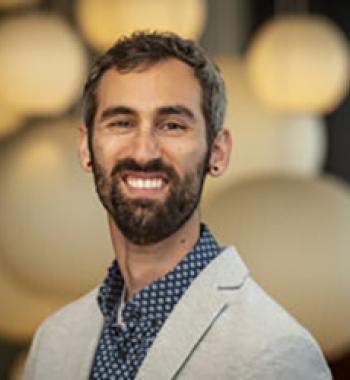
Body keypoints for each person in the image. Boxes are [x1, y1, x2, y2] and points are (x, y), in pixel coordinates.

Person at [23, 31, 332, 380]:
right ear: (85, 148)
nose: (143, 152)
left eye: (172, 125)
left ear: (218, 152)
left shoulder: (275, 353)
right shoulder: (54, 342)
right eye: (121, 123)